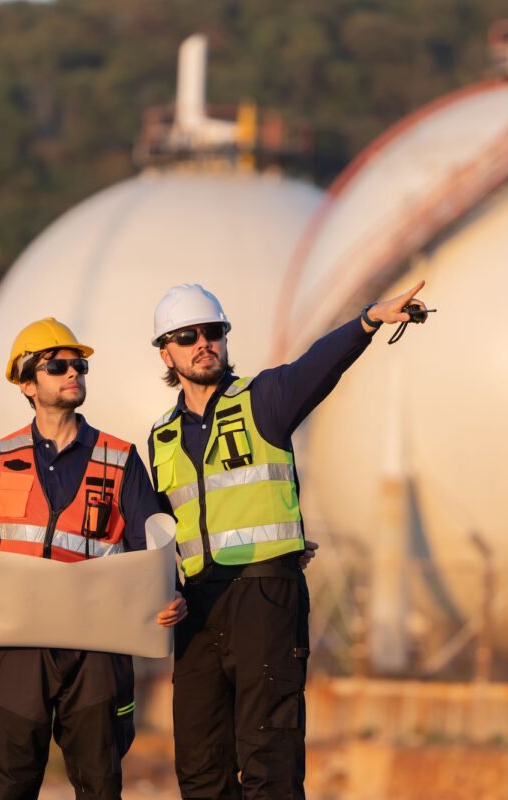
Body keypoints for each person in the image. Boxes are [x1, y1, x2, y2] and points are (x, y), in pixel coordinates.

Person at [148, 280, 427, 799]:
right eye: (188, 336)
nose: (203, 343)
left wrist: (368, 319)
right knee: (200, 766)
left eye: (213, 332)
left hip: (264, 596)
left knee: (268, 757)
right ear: (166, 351)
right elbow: (156, 533)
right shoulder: (160, 436)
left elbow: (318, 366)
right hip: (197, 609)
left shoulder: (265, 399)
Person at [0, 316, 186, 800]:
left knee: (100, 785)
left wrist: (173, 596)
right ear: (27, 384)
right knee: (9, 787)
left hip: (97, 650)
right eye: (57, 365)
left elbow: (154, 548)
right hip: (15, 647)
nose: (73, 373)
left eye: (78, 364)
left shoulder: (120, 459)